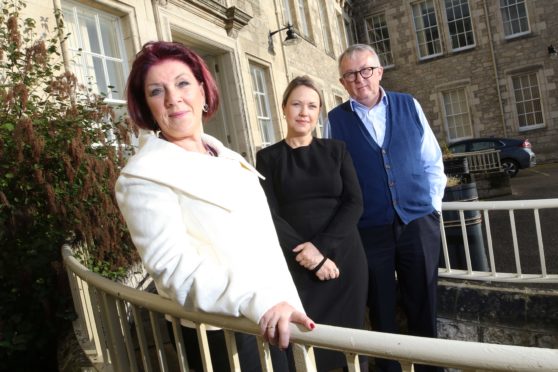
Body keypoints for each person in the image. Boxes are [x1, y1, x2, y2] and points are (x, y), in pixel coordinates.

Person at [115, 41, 315, 372]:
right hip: (226, 331)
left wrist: (283, 300)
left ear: (202, 89)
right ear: (147, 107)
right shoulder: (142, 176)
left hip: (277, 313)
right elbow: (175, 270)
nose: (173, 98)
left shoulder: (224, 155)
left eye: (182, 83)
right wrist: (259, 302)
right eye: (156, 91)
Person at [326, 44, 446, 372]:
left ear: (379, 72)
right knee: (380, 310)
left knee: (424, 304)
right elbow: (335, 184)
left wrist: (431, 210)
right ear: (342, 82)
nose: (359, 79)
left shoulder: (410, 105)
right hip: (369, 231)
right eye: (350, 74)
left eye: (366, 70)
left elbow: (432, 161)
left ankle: (430, 368)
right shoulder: (335, 122)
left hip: (418, 224)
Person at [256, 76, 368, 371]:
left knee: (349, 348)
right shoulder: (268, 158)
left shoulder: (337, 150)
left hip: (343, 260)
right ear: (283, 108)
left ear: (318, 112)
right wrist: (310, 258)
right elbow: (268, 215)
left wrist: (321, 249)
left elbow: (354, 203)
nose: (304, 112)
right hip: (297, 266)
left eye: (312, 106)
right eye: (296, 104)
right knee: (307, 347)